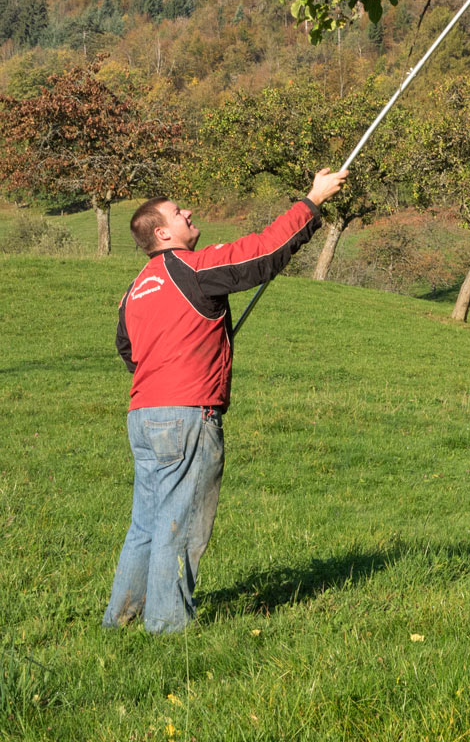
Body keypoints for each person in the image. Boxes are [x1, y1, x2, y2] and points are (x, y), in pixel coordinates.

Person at [104, 167, 348, 633]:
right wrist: (313, 202)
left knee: (147, 524)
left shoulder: (135, 289)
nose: (188, 212)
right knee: (180, 525)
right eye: (178, 212)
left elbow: (128, 351)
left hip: (144, 416)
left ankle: (120, 621)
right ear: (162, 234)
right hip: (187, 416)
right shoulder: (191, 268)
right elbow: (262, 253)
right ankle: (167, 629)